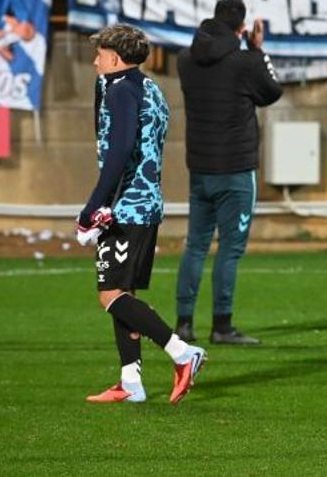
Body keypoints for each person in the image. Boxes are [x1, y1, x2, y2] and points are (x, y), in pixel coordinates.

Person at [76, 24, 207, 405]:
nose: (95, 60)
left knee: (110, 294)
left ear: (115, 58)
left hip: (126, 207)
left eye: (100, 54)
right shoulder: (148, 86)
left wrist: (92, 207)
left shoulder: (120, 91)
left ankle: (182, 352)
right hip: (146, 203)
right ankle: (130, 382)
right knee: (124, 293)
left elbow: (118, 152)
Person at [174, 0, 282, 346]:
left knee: (195, 246)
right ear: (242, 26)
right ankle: (222, 326)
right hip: (235, 169)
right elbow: (271, 92)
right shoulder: (245, 61)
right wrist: (257, 50)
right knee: (230, 249)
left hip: (200, 168)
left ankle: (184, 324)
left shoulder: (185, 59)